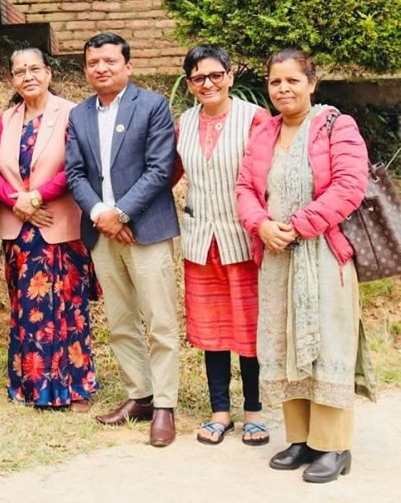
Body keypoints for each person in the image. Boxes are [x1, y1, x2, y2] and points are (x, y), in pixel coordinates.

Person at [236, 49, 374, 483]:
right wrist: (261, 225)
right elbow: (244, 188)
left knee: (328, 344)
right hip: (277, 257)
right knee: (283, 344)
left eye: (293, 80)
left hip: (324, 255)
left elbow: (350, 186)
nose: (283, 89)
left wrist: (296, 226)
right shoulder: (264, 133)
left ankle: (333, 447)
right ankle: (301, 439)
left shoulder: (336, 125)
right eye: (275, 82)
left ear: (312, 83)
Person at [64, 32, 181, 447]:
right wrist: (101, 215)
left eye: (110, 61)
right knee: (120, 321)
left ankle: (165, 404)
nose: (101, 68)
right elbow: (75, 172)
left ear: (128, 66)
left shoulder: (152, 105)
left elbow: (160, 167)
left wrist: (122, 213)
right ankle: (141, 395)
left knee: (160, 320)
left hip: (146, 230)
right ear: (85, 69)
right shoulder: (78, 114)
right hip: (102, 232)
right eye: (93, 62)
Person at [0, 47, 99, 410]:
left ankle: (74, 387)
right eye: (20, 71)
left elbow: (77, 166)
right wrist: (17, 201)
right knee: (27, 308)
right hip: (19, 231)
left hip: (59, 227)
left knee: (67, 309)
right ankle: (31, 386)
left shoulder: (72, 113)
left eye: (34, 69)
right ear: (13, 79)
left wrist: (35, 197)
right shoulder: (6, 120)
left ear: (49, 73)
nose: (27, 76)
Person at [174, 45, 271, 446]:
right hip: (201, 242)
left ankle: (254, 412)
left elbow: (268, 175)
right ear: (189, 84)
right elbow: (169, 173)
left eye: (216, 75)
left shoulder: (255, 119)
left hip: (244, 242)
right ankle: (219, 412)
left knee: (249, 329)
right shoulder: (183, 122)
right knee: (210, 329)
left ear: (230, 76)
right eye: (198, 78)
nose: (208, 84)